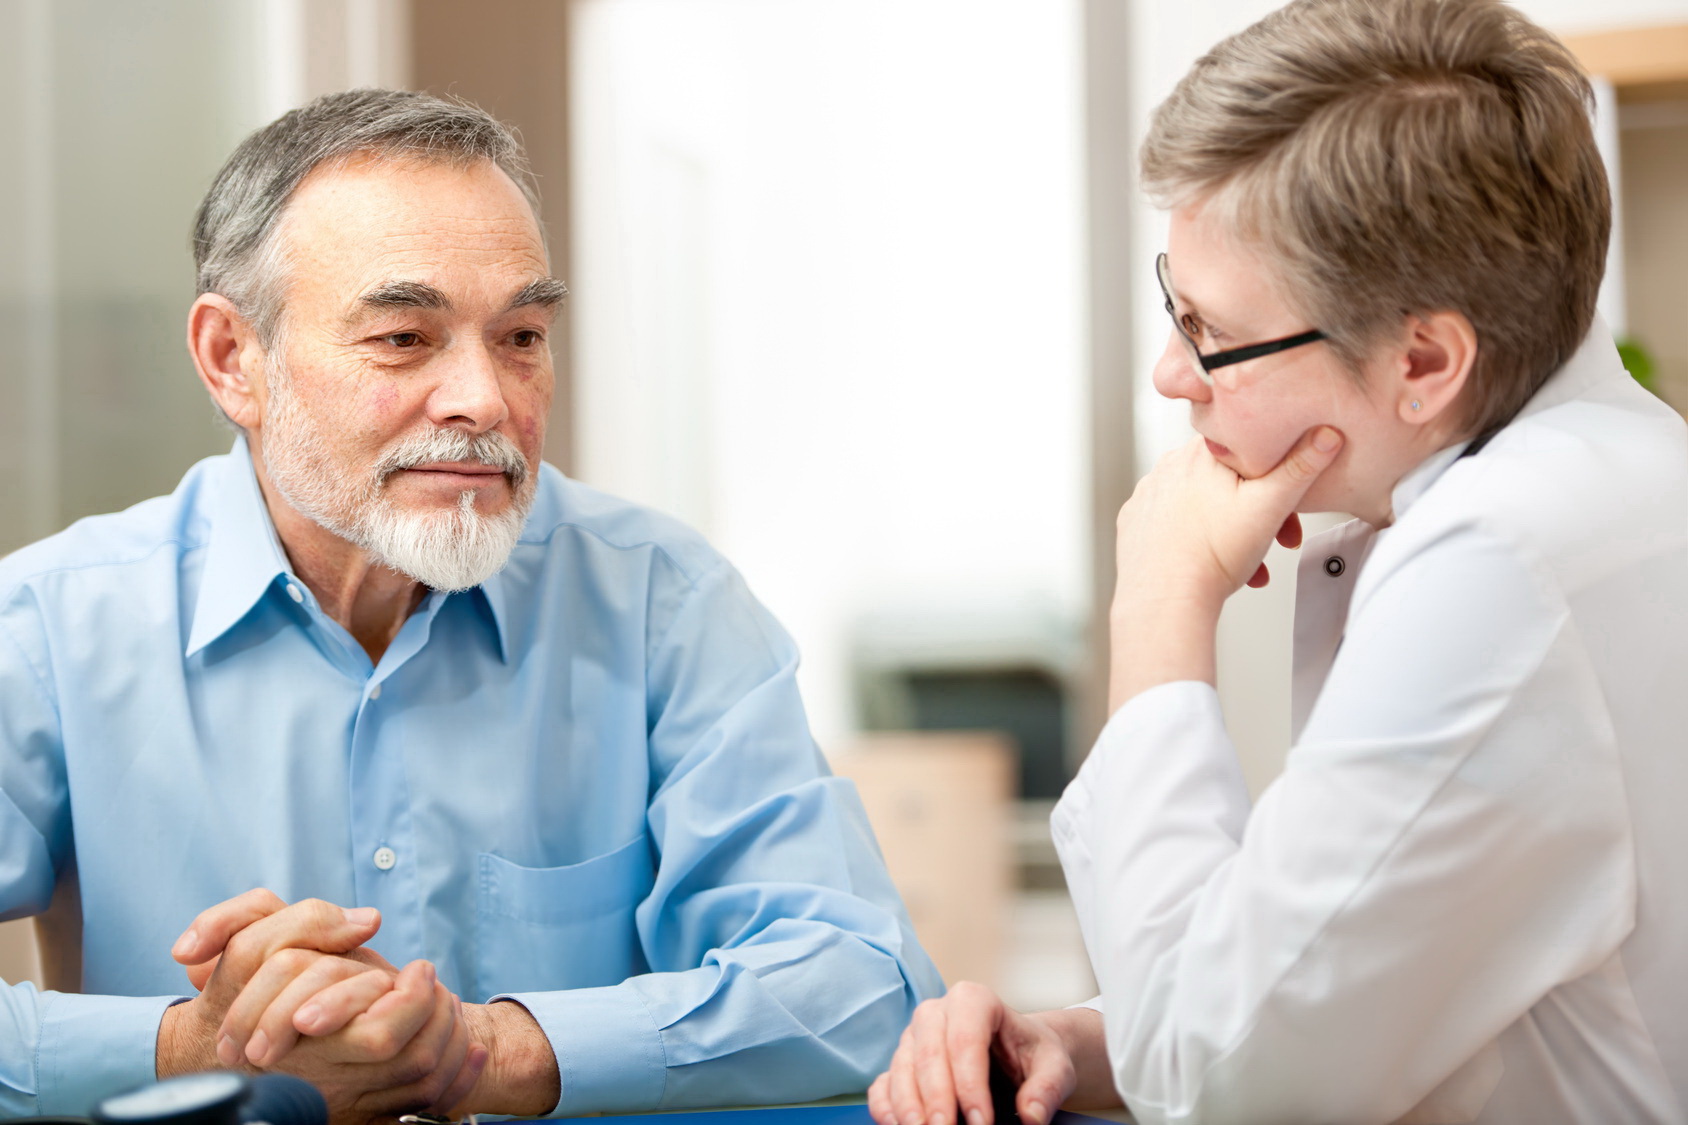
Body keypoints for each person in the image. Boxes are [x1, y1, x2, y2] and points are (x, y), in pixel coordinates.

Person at [0, 89, 941, 1121]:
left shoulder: (661, 603)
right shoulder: (49, 629)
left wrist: (489, 1049)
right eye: (405, 338)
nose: (485, 399)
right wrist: (188, 1046)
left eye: (521, 335)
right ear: (235, 360)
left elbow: (861, 983)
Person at [869, 1, 1688, 1122]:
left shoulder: (1494, 565)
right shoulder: (1617, 468)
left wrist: (1159, 603)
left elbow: (1225, 1085)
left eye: (1210, 331)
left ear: (1423, 358)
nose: (1170, 371)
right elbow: (1359, 991)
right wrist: (1079, 1039)